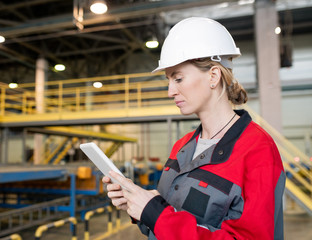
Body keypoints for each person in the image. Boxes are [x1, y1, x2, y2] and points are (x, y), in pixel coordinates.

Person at [102, 17, 285, 240]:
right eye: (168, 80)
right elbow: (166, 221)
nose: (170, 91)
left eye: (178, 78)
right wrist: (138, 204)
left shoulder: (258, 151)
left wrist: (155, 213)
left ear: (213, 76)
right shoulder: (183, 146)